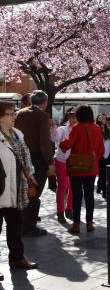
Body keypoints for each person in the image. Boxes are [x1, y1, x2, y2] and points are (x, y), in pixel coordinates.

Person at [0, 101, 38, 279]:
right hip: (1, 189)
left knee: (15, 226)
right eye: (10, 114)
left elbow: (26, 158)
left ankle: (17, 258)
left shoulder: (18, 134)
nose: (14, 116)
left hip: (17, 188)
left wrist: (30, 173)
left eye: (14, 113)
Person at [14, 90, 54, 237]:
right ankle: (29, 227)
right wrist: (50, 162)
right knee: (34, 193)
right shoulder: (43, 116)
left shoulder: (20, 113)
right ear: (45, 102)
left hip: (19, 157)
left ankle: (21, 223)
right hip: (37, 159)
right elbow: (44, 142)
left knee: (22, 190)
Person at [59, 105, 105, 234]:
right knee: (89, 196)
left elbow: (66, 144)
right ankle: (89, 223)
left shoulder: (76, 128)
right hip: (91, 168)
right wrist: (94, 159)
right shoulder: (97, 129)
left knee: (77, 196)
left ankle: (77, 224)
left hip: (76, 168)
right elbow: (101, 150)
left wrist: (61, 144)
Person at [52, 108, 76, 223]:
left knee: (72, 186)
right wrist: (53, 127)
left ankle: (69, 209)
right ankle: (60, 211)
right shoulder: (62, 129)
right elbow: (54, 138)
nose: (72, 118)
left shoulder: (80, 129)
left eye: (75, 116)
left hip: (74, 161)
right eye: (71, 116)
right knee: (62, 186)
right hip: (61, 160)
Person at [95, 114, 110, 199]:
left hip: (108, 153)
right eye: (101, 118)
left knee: (106, 173)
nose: (103, 119)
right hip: (100, 154)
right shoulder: (96, 128)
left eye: (104, 118)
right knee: (102, 173)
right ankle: (104, 190)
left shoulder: (108, 129)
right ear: (98, 119)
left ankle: (101, 187)